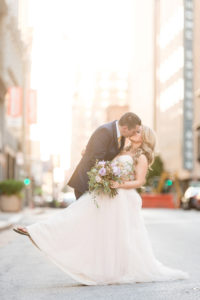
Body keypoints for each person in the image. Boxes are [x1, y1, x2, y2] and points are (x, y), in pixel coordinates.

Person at [13, 125, 189, 285]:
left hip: (122, 199)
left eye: (138, 131)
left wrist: (118, 184)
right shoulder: (121, 149)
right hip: (107, 193)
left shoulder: (141, 156)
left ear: (144, 137)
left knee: (113, 236)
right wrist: (88, 157)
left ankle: (109, 270)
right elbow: (104, 161)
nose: (134, 131)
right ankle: (41, 233)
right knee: (79, 214)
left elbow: (139, 181)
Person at [68, 112, 142, 199]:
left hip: (97, 182)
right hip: (86, 182)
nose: (134, 134)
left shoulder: (121, 136)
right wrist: (110, 175)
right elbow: (96, 160)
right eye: (134, 131)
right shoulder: (105, 131)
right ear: (125, 128)